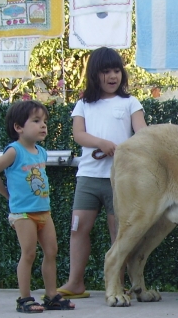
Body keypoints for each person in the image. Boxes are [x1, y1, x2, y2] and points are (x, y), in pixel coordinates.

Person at [57, 47, 147, 299]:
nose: (112, 76)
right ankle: (75, 283)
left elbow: (144, 135)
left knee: (119, 234)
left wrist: (125, 150)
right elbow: (79, 134)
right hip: (87, 178)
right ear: (94, 74)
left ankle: (116, 287)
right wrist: (101, 143)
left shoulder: (131, 102)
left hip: (121, 181)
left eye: (116, 70)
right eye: (106, 71)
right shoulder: (83, 104)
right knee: (77, 229)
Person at [0, 100, 75, 313]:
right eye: (36, 121)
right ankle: (24, 299)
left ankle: (51, 296)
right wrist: (8, 196)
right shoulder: (14, 151)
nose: (43, 125)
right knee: (29, 254)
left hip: (44, 212)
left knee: (51, 251)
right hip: (24, 214)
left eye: (44, 121)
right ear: (19, 127)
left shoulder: (41, 152)